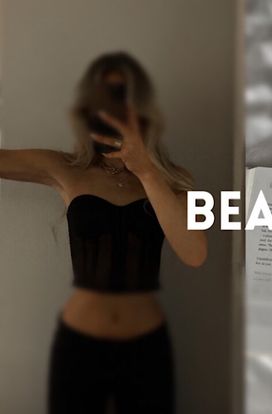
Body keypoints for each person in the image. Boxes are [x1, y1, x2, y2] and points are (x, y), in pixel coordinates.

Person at [0, 52, 207, 414]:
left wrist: (145, 171)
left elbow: (195, 252)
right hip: (79, 344)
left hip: (147, 347)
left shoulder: (176, 181)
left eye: (120, 96)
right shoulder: (67, 169)